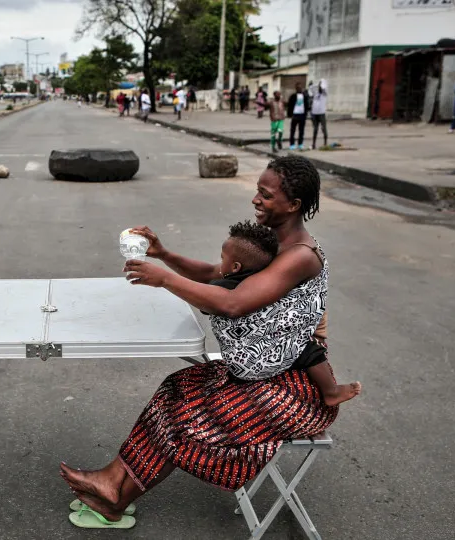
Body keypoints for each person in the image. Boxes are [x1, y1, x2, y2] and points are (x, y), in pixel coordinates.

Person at [60, 155, 347, 528]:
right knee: (175, 388)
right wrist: (163, 254)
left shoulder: (299, 257)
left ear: (293, 205)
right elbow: (217, 275)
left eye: (266, 195)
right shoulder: (268, 244)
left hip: (295, 386)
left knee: (191, 417)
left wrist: (163, 279)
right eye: (257, 191)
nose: (256, 200)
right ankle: (113, 483)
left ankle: (116, 494)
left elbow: (233, 302)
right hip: (262, 370)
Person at [206, 220, 360, 405]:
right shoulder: (259, 282)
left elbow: (215, 300)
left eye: (222, 259)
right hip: (260, 357)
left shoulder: (225, 286)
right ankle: (331, 391)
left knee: (303, 345)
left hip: (242, 362)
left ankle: (330, 392)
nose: (257, 200)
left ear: (236, 267)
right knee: (308, 348)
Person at [287, 82, 310, 150]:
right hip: (295, 115)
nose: (299, 88)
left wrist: (306, 114)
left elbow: (306, 105)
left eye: (300, 87)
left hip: (302, 115)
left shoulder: (304, 96)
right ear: (296, 88)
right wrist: (289, 114)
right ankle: (292, 144)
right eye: (298, 87)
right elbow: (290, 106)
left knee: (301, 130)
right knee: (293, 130)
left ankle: (300, 144)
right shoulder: (293, 96)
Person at [310, 79, 328, 149]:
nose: (320, 87)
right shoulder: (316, 92)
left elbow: (323, 88)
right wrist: (315, 84)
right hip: (314, 113)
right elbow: (310, 89)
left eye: (321, 85)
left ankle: (325, 143)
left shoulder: (324, 93)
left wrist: (321, 85)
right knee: (315, 129)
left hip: (321, 113)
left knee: (324, 128)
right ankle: (313, 144)